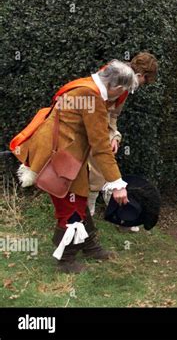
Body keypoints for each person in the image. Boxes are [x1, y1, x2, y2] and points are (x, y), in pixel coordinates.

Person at [14, 61, 138, 273]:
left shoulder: (84, 85)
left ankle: (90, 247)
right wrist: (117, 184)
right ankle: (66, 260)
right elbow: (100, 145)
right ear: (116, 87)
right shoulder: (92, 97)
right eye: (123, 92)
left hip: (63, 154)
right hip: (59, 158)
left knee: (78, 199)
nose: (120, 97)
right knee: (70, 209)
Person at [87, 52, 158, 234]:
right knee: (98, 169)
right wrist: (107, 134)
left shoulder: (125, 86)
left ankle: (111, 215)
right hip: (89, 125)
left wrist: (114, 135)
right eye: (145, 81)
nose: (142, 86)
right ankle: (89, 216)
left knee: (104, 167)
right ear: (141, 75)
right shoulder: (115, 76)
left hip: (100, 126)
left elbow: (113, 114)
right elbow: (100, 108)